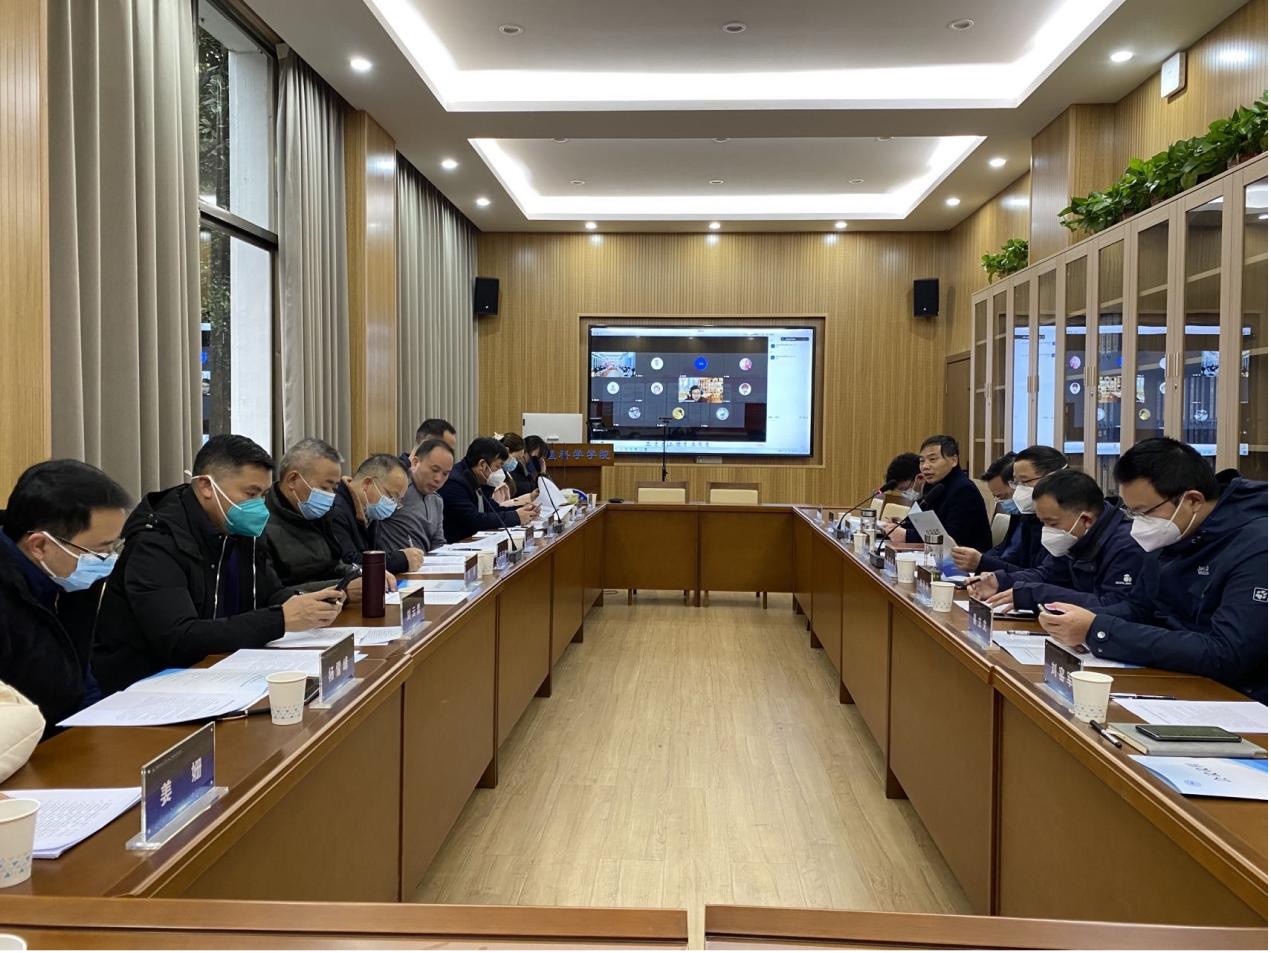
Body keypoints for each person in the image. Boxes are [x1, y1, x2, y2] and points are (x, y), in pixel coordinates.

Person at [93, 435, 345, 694]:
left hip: (225, 669)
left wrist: (306, 603)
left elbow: (269, 593)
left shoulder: (241, 527)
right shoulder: (157, 540)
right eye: (251, 494)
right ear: (206, 486)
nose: (259, 506)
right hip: (151, 685)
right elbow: (179, 638)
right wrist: (280, 619)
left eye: (264, 495)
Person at [1039, 438, 1268, 702]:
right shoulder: (1174, 532)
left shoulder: (1257, 546)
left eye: (1144, 512)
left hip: (1240, 697)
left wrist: (1098, 631)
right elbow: (1141, 608)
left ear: (1193, 500)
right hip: (1177, 677)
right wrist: (1079, 620)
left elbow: (1226, 653)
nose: (1138, 524)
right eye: (1132, 513)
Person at [0, 460, 130, 728]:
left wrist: (99, 726)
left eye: (114, 546)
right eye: (100, 550)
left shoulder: (70, 577)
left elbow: (81, 677)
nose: (108, 559)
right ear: (39, 545)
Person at [967, 469, 1142, 611]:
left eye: (1052, 523)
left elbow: (1114, 605)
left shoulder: (1127, 545)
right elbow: (1047, 574)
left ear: (1086, 520)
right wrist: (1000, 581)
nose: (1047, 530)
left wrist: (1038, 595)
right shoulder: (1074, 536)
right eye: (1043, 523)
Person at [263, 438, 361, 593]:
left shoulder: (318, 514)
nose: (331, 495)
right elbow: (273, 594)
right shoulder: (261, 523)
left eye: (334, 488)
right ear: (292, 480)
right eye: (325, 487)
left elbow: (334, 566)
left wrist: (362, 574)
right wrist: (342, 588)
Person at [953, 446, 1065, 574]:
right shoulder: (1027, 515)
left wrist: (982, 563)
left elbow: (1038, 575)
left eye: (1024, 482)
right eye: (1016, 483)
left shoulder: (1061, 524)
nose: (1019, 490)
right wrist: (977, 561)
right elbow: (1008, 553)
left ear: (1052, 477)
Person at [885, 435, 992, 552]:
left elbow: (952, 538)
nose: (925, 466)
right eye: (922, 461)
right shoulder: (934, 485)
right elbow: (926, 525)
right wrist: (901, 525)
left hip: (964, 559)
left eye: (933, 459)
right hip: (937, 554)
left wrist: (907, 535)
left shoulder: (964, 489)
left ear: (954, 460)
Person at [330, 454, 424, 575]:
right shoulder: (336, 509)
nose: (394, 505)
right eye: (392, 496)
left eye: (398, 501)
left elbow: (372, 554)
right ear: (367, 484)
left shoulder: (369, 512)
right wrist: (401, 560)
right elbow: (348, 562)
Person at [439, 438, 538, 543]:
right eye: (498, 466)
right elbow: (474, 520)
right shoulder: (455, 482)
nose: (500, 471)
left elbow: (492, 509)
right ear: (482, 464)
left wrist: (523, 510)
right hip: (458, 544)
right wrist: (516, 517)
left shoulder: (479, 478)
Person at [378, 438, 455, 553]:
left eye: (445, 474)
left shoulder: (437, 500)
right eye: (434, 470)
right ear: (415, 463)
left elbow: (438, 542)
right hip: (393, 561)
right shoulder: (395, 490)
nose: (438, 479)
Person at [500, 432, 538, 498]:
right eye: (516, 458)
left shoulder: (506, 472)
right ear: (507, 451)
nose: (517, 462)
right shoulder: (496, 475)